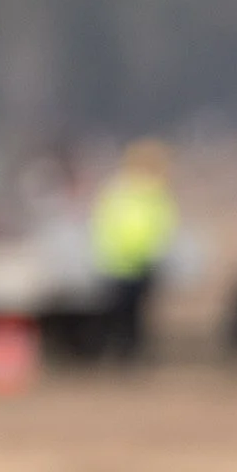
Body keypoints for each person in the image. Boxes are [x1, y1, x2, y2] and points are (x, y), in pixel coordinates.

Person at [90, 138, 179, 361]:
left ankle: (130, 356)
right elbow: (103, 226)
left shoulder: (155, 194)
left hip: (142, 264)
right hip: (117, 264)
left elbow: (164, 229)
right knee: (116, 314)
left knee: (136, 316)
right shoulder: (120, 191)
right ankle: (113, 353)